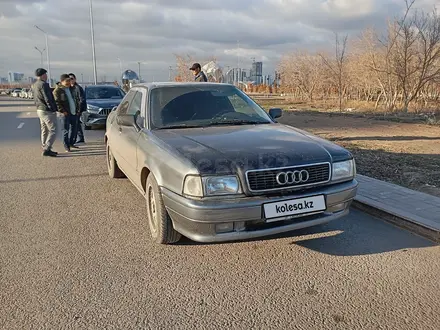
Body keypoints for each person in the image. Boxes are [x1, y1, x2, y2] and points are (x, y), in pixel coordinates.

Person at [32, 68, 58, 157]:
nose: (47, 76)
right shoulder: (44, 85)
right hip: (46, 110)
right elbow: (48, 98)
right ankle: (47, 148)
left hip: (39, 109)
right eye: (46, 74)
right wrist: (53, 109)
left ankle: (45, 147)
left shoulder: (34, 85)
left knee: (44, 129)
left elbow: (35, 98)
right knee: (53, 130)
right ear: (43, 75)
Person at [53, 74, 80, 152]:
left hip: (74, 112)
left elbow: (76, 99)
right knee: (66, 130)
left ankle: (71, 143)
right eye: (67, 81)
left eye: (69, 80)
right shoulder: (57, 91)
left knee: (74, 129)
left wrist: (78, 109)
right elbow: (57, 102)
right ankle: (66, 146)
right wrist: (62, 111)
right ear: (62, 81)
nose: (69, 82)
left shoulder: (72, 89)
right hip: (65, 114)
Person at [68, 73, 86, 144]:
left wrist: (79, 109)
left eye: (72, 78)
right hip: (72, 109)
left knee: (75, 124)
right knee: (76, 124)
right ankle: (80, 137)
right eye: (69, 79)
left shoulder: (77, 88)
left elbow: (81, 99)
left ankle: (74, 139)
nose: (70, 80)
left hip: (77, 109)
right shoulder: (69, 88)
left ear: (75, 79)